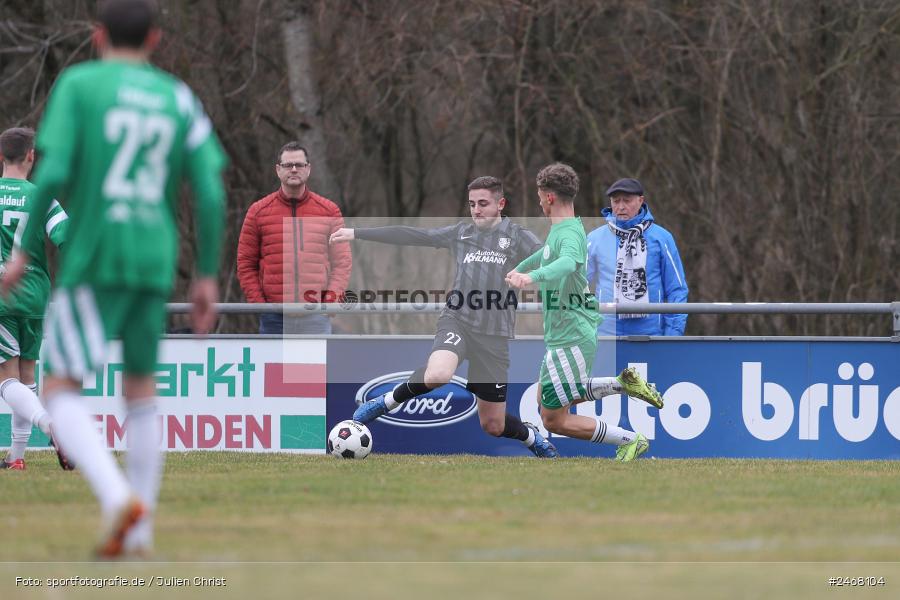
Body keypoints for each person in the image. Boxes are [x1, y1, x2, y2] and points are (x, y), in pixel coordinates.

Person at [2, 0, 226, 558]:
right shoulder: (177, 97)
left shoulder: (80, 84)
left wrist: (23, 255)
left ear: (98, 35)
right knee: (141, 389)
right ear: (154, 39)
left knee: (58, 387)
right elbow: (212, 189)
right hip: (153, 258)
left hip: (95, 259)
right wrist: (205, 274)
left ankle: (116, 496)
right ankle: (142, 532)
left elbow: (51, 172)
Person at [330, 176, 559, 457]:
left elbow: (550, 261)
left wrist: (531, 275)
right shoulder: (461, 233)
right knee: (439, 373)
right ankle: (386, 402)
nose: (476, 210)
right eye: (472, 204)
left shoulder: (518, 237)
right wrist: (357, 233)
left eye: (483, 204)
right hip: (457, 320)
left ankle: (531, 437)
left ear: (500, 204)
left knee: (493, 425)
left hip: (494, 336)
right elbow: (413, 236)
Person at [506, 164, 664, 461]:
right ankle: (622, 384)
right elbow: (548, 254)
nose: (539, 202)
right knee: (545, 398)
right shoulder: (565, 229)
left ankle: (631, 439)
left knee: (553, 419)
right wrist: (522, 267)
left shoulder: (571, 235)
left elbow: (565, 263)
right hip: (564, 332)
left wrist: (531, 278)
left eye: (540, 196)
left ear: (549, 197)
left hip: (571, 333)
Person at [0, 127, 71, 471]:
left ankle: (52, 426)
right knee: (26, 376)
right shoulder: (44, 197)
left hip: (2, 295)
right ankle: (16, 458)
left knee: (6, 380)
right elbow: (67, 238)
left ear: (0, 157)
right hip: (36, 295)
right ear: (32, 156)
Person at [237, 142, 351, 334]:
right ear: (278, 170)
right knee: (274, 366)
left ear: (308, 169)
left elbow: (342, 262)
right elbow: (245, 263)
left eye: (299, 165)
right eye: (288, 165)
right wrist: (260, 305)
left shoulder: (329, 210)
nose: (294, 169)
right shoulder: (258, 212)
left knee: (315, 366)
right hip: (274, 318)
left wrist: (330, 301)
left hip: (316, 317)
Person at [586, 178, 688, 336]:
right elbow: (577, 285)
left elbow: (677, 290)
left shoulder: (661, 238)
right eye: (615, 201)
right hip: (604, 336)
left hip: (651, 336)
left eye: (627, 201)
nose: (620, 207)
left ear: (641, 201)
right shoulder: (594, 239)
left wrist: (672, 335)